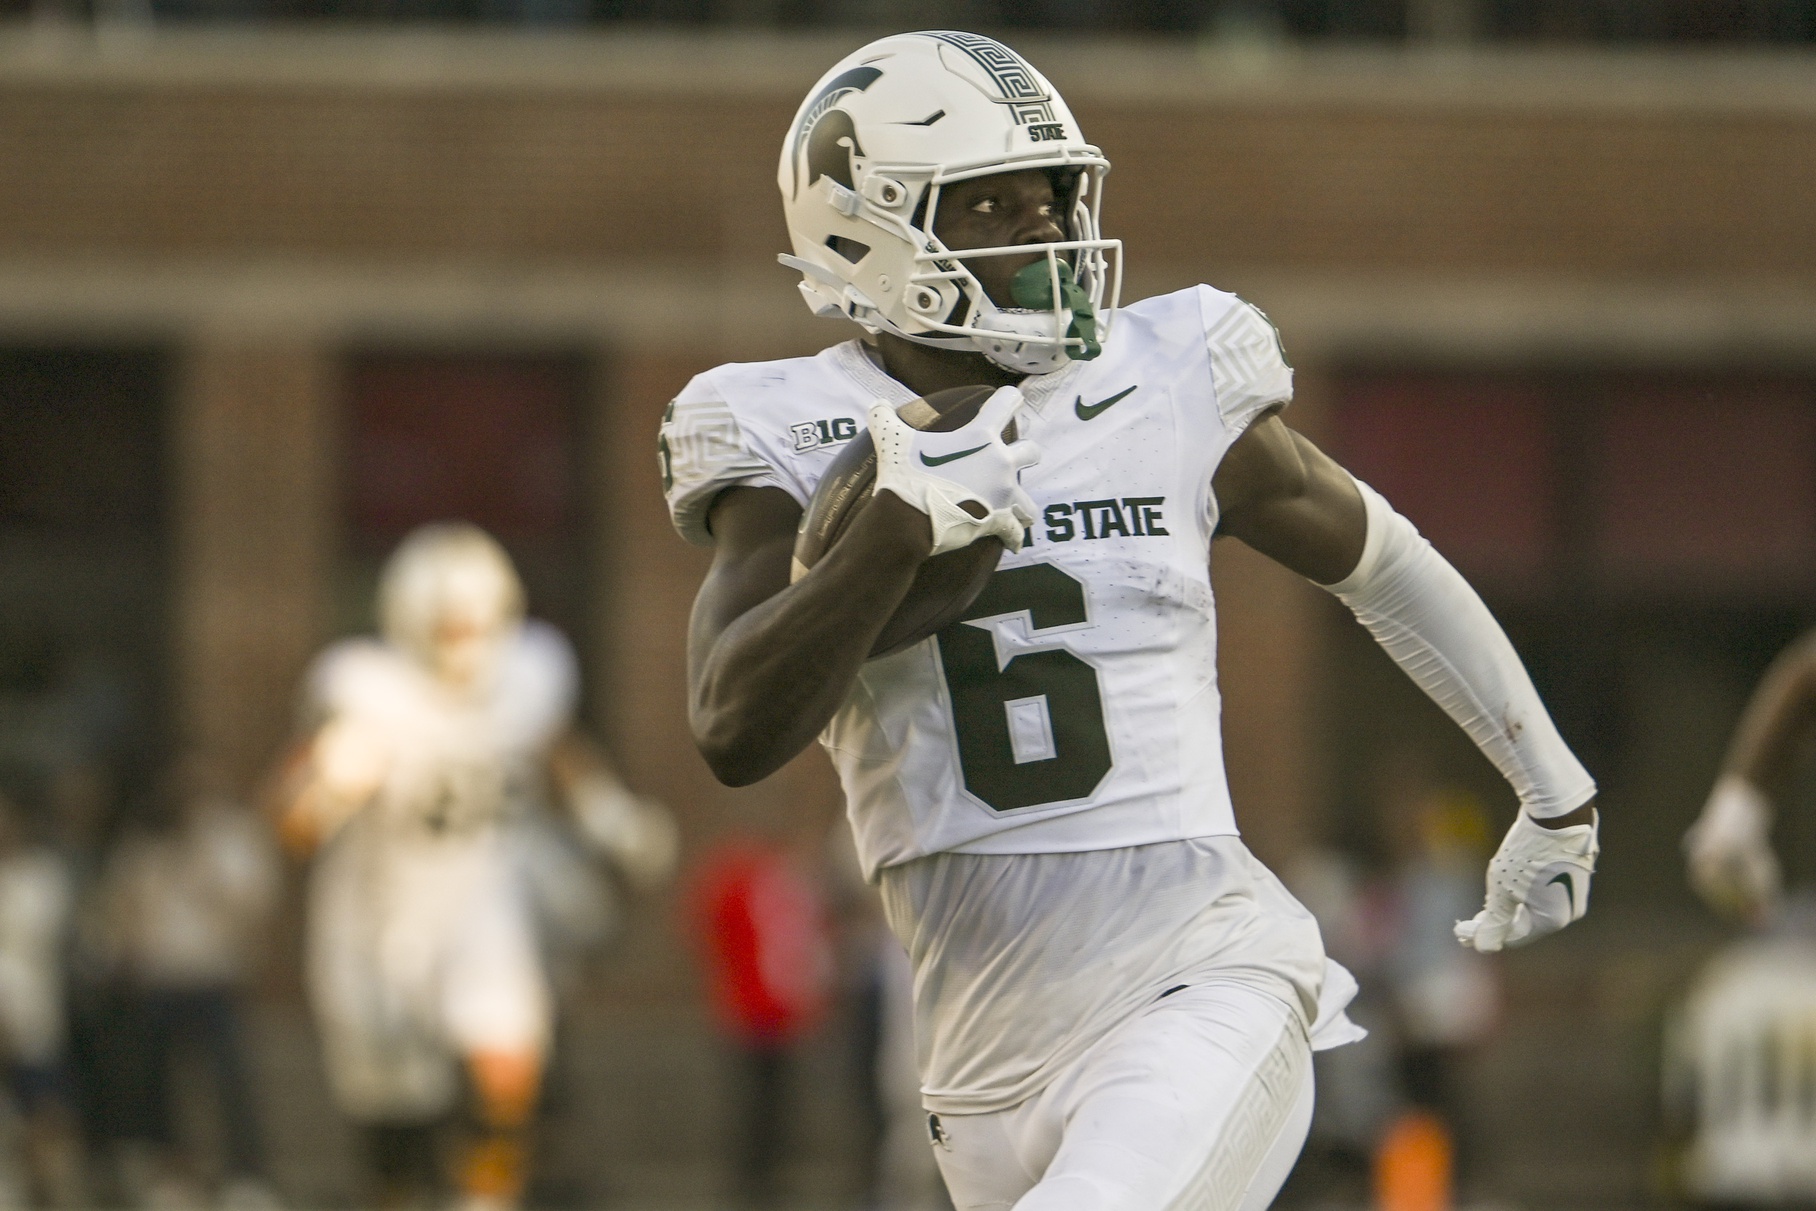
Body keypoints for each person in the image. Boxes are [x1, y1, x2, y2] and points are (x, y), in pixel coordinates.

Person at [661, 31, 1599, 1211]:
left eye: (1052, 196)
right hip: (974, 1060)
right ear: (865, 227)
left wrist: (1552, 786)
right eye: (992, 204)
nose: (1046, 234)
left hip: (1197, 973)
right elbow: (732, 725)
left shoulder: (1160, 379)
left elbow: (1383, 558)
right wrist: (890, 534)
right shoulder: (790, 427)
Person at [269, 523, 677, 1211]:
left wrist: (611, 818)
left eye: (474, 625)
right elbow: (291, 825)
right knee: (394, 1116)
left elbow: (556, 751)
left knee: (506, 1061)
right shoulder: (365, 686)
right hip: (377, 913)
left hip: (484, 897)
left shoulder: (529, 672)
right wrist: (329, 787)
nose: (463, 643)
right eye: (448, 627)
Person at [97, 755, 281, 1210]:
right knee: (156, 1081)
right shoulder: (147, 839)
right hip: (159, 980)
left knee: (229, 1081)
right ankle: (173, 1177)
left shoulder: (233, 836)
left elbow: (252, 903)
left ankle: (248, 1178)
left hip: (214, 977)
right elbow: (120, 906)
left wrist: (199, 853)